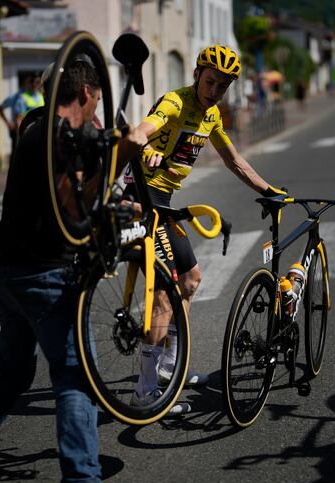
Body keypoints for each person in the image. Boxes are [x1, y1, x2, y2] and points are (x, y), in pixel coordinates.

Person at [0, 54, 147, 483]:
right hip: (44, 276)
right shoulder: (57, 139)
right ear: (86, 94)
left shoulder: (36, 129)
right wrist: (125, 151)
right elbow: (73, 206)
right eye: (98, 100)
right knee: (74, 374)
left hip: (9, 273)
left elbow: (68, 204)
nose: (97, 109)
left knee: (12, 375)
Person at [126, 45, 286, 411]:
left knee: (191, 280)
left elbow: (233, 160)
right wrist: (146, 146)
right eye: (210, 81)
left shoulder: (211, 114)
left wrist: (269, 190)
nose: (214, 91)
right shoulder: (176, 102)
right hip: (143, 196)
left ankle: (168, 367)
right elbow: (144, 130)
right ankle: (144, 392)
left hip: (163, 202)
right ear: (197, 74)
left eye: (222, 86)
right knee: (166, 294)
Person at [0, 71, 44, 154]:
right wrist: (8, 123)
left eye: (37, 82)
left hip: (37, 131)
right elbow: (1, 109)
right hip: (24, 130)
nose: (34, 84)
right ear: (27, 81)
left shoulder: (41, 96)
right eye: (31, 81)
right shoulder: (19, 96)